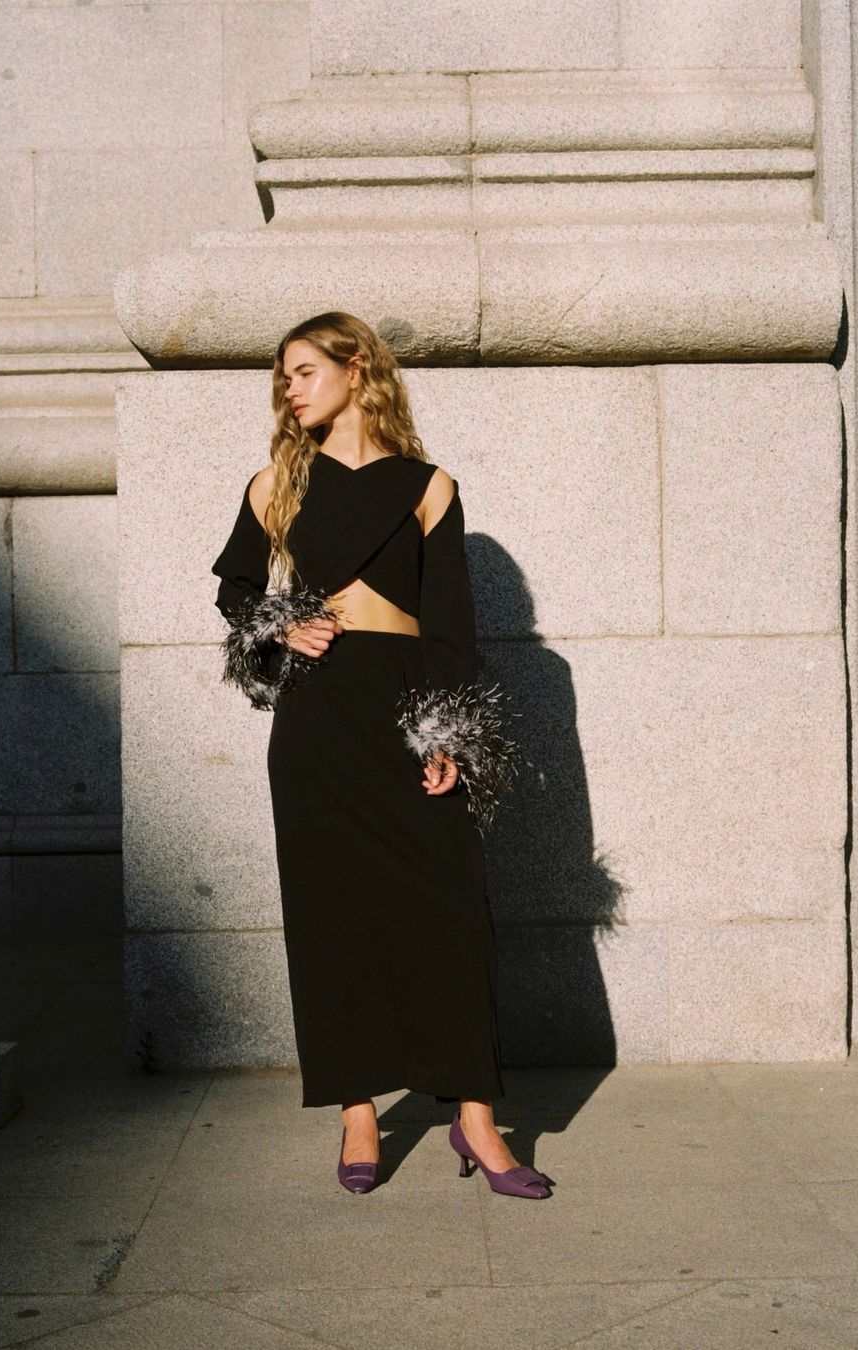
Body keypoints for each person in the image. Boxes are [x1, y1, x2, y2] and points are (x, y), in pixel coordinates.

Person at [211, 311, 551, 1200]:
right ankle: (357, 1112)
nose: (289, 388)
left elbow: (450, 627)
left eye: (303, 370)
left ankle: (476, 1119)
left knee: (452, 911)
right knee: (332, 914)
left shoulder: (429, 487)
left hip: (404, 710)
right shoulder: (278, 484)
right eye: (283, 377)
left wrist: (447, 736)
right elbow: (235, 588)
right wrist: (282, 624)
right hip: (319, 722)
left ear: (356, 366)